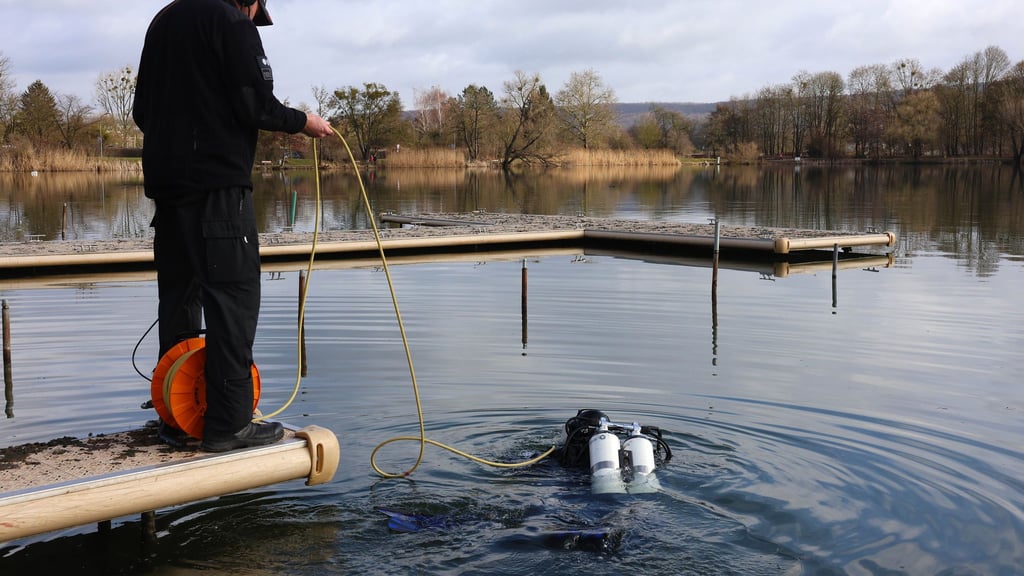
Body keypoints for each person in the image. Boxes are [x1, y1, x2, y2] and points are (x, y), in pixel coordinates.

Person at [133, 0, 333, 452]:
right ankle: (229, 424)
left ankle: (178, 416)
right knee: (233, 299)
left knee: (180, 299)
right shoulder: (232, 23)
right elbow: (256, 106)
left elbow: (141, 112)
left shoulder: (162, 23)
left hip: (168, 193)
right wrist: (305, 122)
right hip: (218, 191)